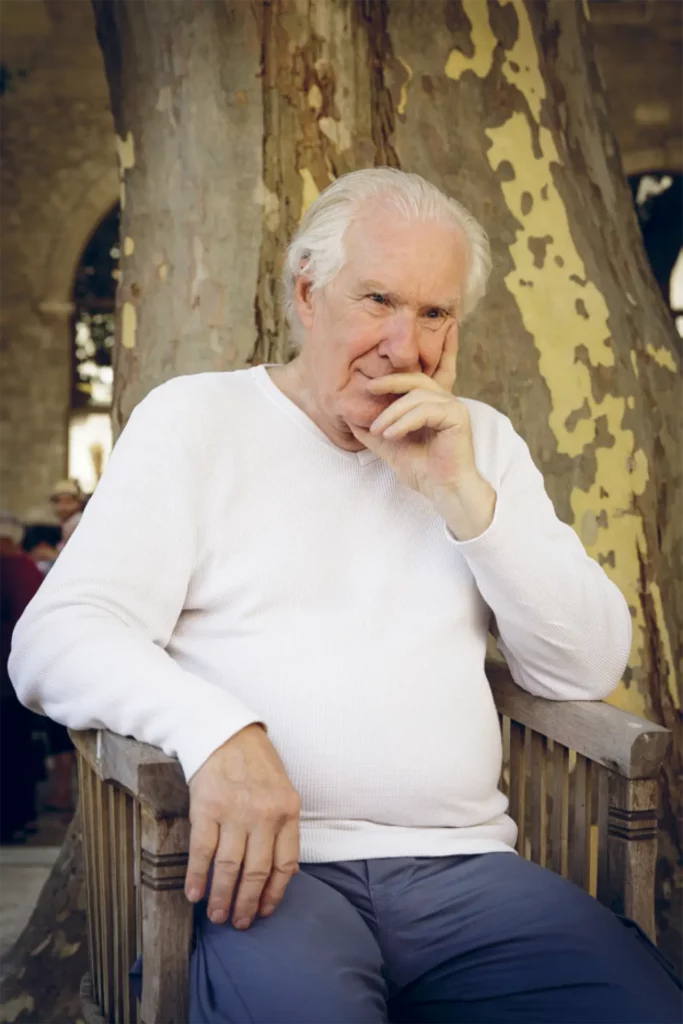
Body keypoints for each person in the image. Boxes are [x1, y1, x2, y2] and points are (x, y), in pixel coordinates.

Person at [9, 169, 683, 1022]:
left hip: (465, 868)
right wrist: (216, 731)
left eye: (434, 313)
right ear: (306, 295)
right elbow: (57, 635)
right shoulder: (196, 422)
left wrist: (462, 496)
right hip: (268, 873)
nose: (406, 344)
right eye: (377, 300)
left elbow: (581, 664)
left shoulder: (481, 445)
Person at [0, 512, 43, 842]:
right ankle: (22, 817)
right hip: (21, 672)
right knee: (18, 747)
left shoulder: (11, 568)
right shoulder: (28, 568)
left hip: (7, 673)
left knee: (10, 750)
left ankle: (12, 820)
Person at [49, 478, 84, 547]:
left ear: (79, 503)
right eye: (58, 501)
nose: (63, 507)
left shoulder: (76, 522)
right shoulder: (66, 523)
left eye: (68, 502)